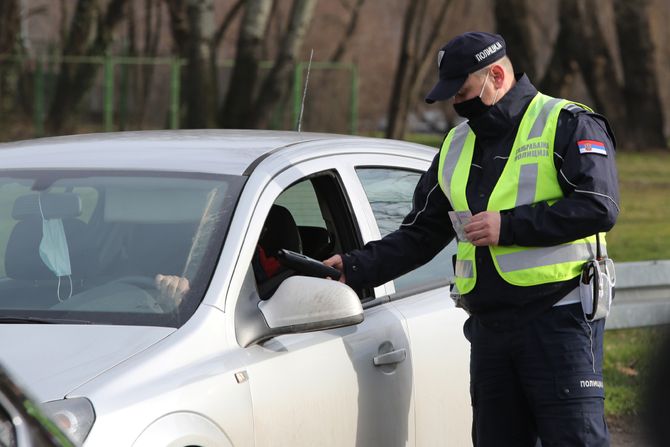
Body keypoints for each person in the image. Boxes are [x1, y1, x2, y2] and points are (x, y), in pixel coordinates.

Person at [324, 31, 619, 446]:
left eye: (462, 92)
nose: (457, 105)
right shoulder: (455, 144)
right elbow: (421, 234)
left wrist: (509, 226)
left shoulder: (566, 122)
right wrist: (355, 267)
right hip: (490, 330)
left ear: (496, 75)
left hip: (559, 321)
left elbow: (599, 205)